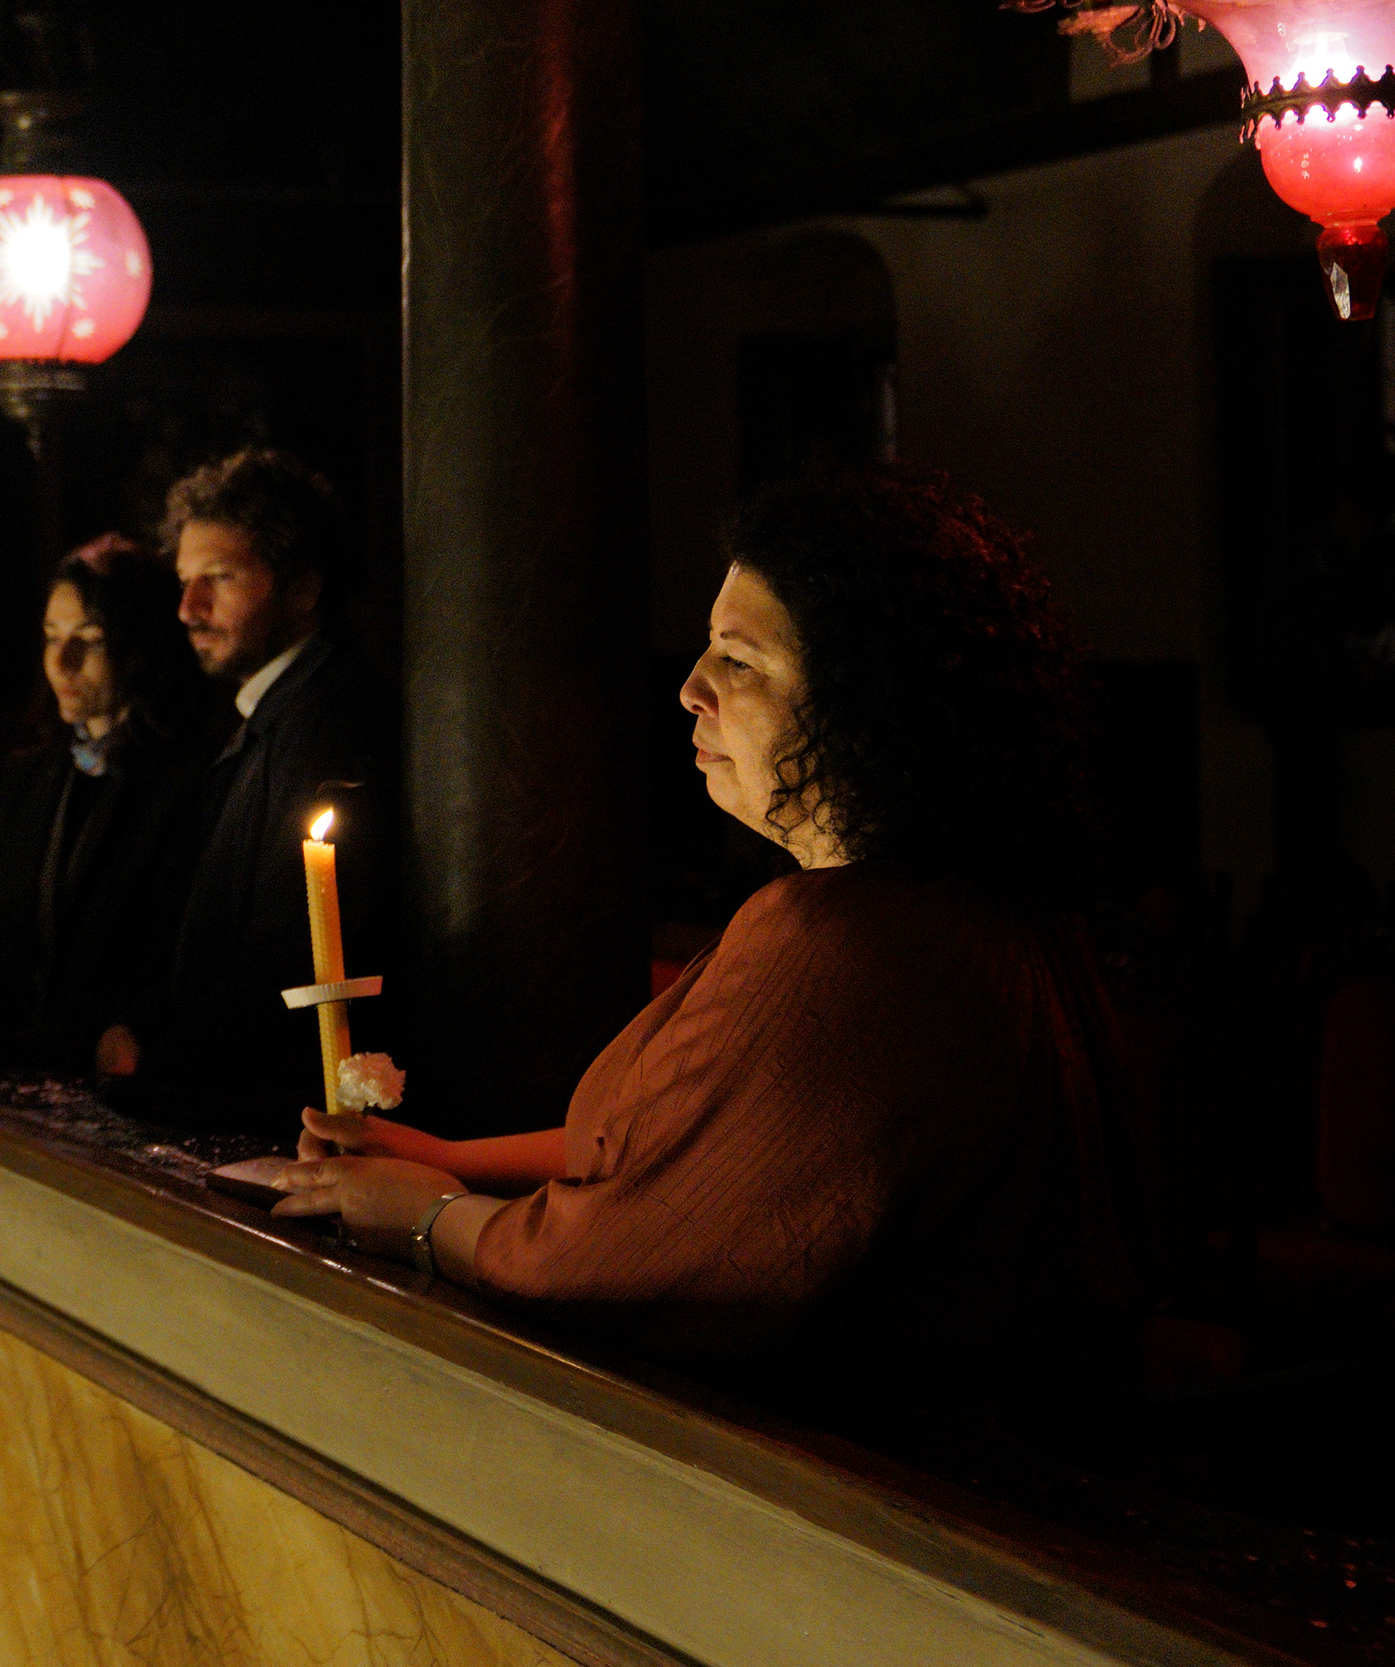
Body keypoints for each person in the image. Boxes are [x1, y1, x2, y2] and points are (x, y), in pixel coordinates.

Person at [272, 469, 1147, 1381]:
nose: (690, 687)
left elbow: (605, 1259)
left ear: (862, 698)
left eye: (738, 659)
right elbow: (662, 1140)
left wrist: (426, 1213)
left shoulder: (843, 947)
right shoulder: (963, 901)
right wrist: (447, 1156)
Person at [108, 449, 393, 1125]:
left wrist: (160, 1068)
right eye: (184, 580)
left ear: (302, 589)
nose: (187, 608)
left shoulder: (326, 719)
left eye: (219, 577)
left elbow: (285, 950)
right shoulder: (273, 710)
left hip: (277, 1111)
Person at [0, 536, 212, 1074]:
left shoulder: (186, 784)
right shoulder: (31, 775)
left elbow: (174, 959)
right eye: (51, 638)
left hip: (109, 1080)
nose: (62, 662)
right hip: (3, 1073)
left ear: (139, 647)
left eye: (88, 640)